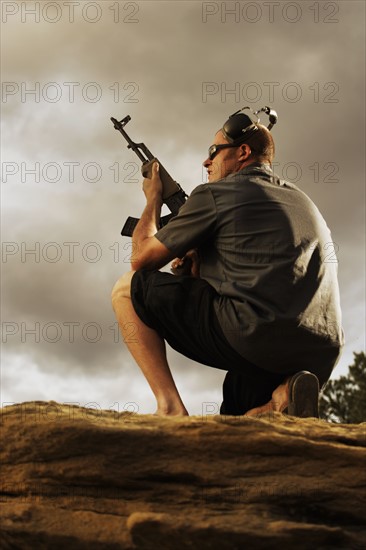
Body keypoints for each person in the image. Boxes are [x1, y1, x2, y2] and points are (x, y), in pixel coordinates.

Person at [111, 109, 344, 417]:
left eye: (214, 152)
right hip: (318, 354)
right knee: (235, 414)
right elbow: (248, 279)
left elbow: (141, 260)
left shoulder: (215, 194)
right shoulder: (303, 201)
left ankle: (168, 406)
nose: (206, 162)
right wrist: (192, 267)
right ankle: (279, 400)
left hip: (256, 336)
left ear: (243, 152)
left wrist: (153, 198)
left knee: (127, 290)